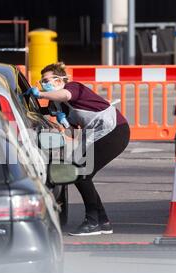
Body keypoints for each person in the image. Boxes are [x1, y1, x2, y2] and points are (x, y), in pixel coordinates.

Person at [25, 62, 130, 236]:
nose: (43, 84)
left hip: (115, 130)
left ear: (59, 80)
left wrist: (41, 94)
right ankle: (102, 221)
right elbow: (72, 129)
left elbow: (65, 95)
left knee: (81, 172)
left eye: (47, 80)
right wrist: (61, 120)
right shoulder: (60, 106)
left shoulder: (73, 87)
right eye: (42, 81)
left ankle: (92, 222)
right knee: (82, 173)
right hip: (100, 134)